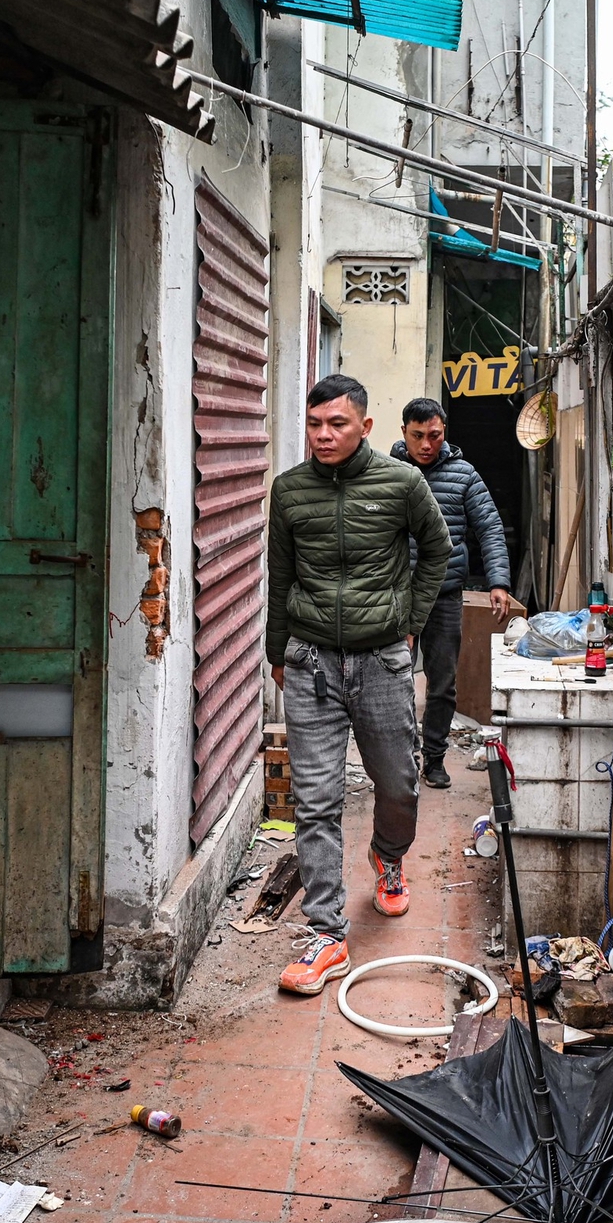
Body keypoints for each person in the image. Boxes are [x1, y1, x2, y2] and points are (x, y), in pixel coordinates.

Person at [267, 374, 453, 995]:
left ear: (365, 427)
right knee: (315, 800)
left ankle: (389, 857)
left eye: (336, 425)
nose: (323, 435)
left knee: (398, 783)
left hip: (382, 660)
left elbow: (438, 550)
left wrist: (411, 624)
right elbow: (279, 576)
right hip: (311, 663)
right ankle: (325, 934)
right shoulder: (289, 492)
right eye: (315, 425)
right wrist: (277, 652)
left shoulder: (402, 484)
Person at [390, 399, 512, 789]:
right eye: (418, 436)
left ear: (445, 433)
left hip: (444, 596)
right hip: (396, 597)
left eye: (435, 436)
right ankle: (398, 760)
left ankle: (435, 758)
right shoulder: (387, 473)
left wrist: (498, 582)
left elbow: (490, 528)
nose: (427, 444)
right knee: (393, 682)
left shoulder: (464, 476)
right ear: (404, 431)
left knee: (442, 683)